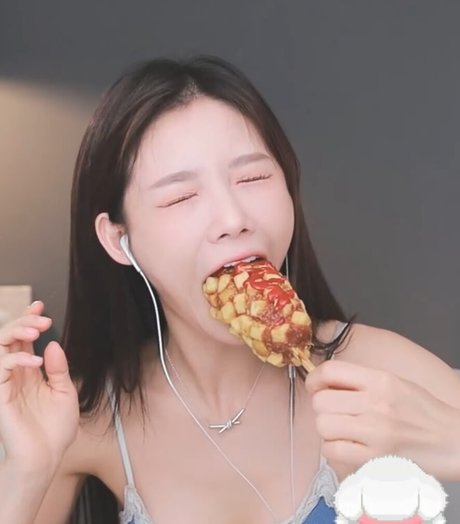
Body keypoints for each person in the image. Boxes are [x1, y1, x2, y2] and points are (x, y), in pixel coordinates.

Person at [0, 56, 459, 524]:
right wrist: (26, 472)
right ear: (120, 240)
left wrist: (452, 441)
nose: (233, 218)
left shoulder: (376, 372)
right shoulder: (89, 419)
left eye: (253, 177)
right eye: (181, 196)